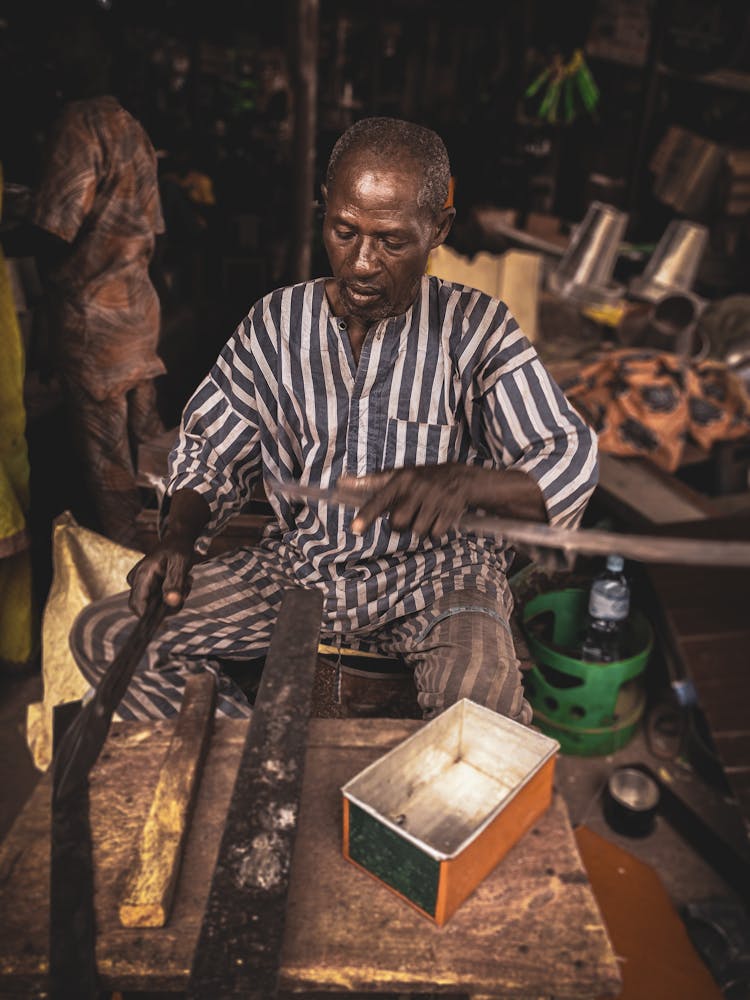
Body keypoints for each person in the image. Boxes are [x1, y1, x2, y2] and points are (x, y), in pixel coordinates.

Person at [70, 117, 598, 723]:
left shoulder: (476, 327)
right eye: (344, 231)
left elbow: (567, 454)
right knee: (109, 637)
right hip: (305, 568)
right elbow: (212, 450)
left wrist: (466, 482)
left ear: (438, 231)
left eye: (392, 241)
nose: (362, 263)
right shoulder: (276, 323)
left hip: (443, 580)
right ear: (325, 214)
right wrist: (180, 537)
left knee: (487, 720)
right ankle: (256, 760)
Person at [29, 24, 166, 546]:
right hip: (136, 314)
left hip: (94, 322)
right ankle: (171, 552)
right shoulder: (130, 126)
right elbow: (155, 230)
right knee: (150, 454)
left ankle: (135, 581)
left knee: (109, 477)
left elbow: (54, 231)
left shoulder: (77, 123)